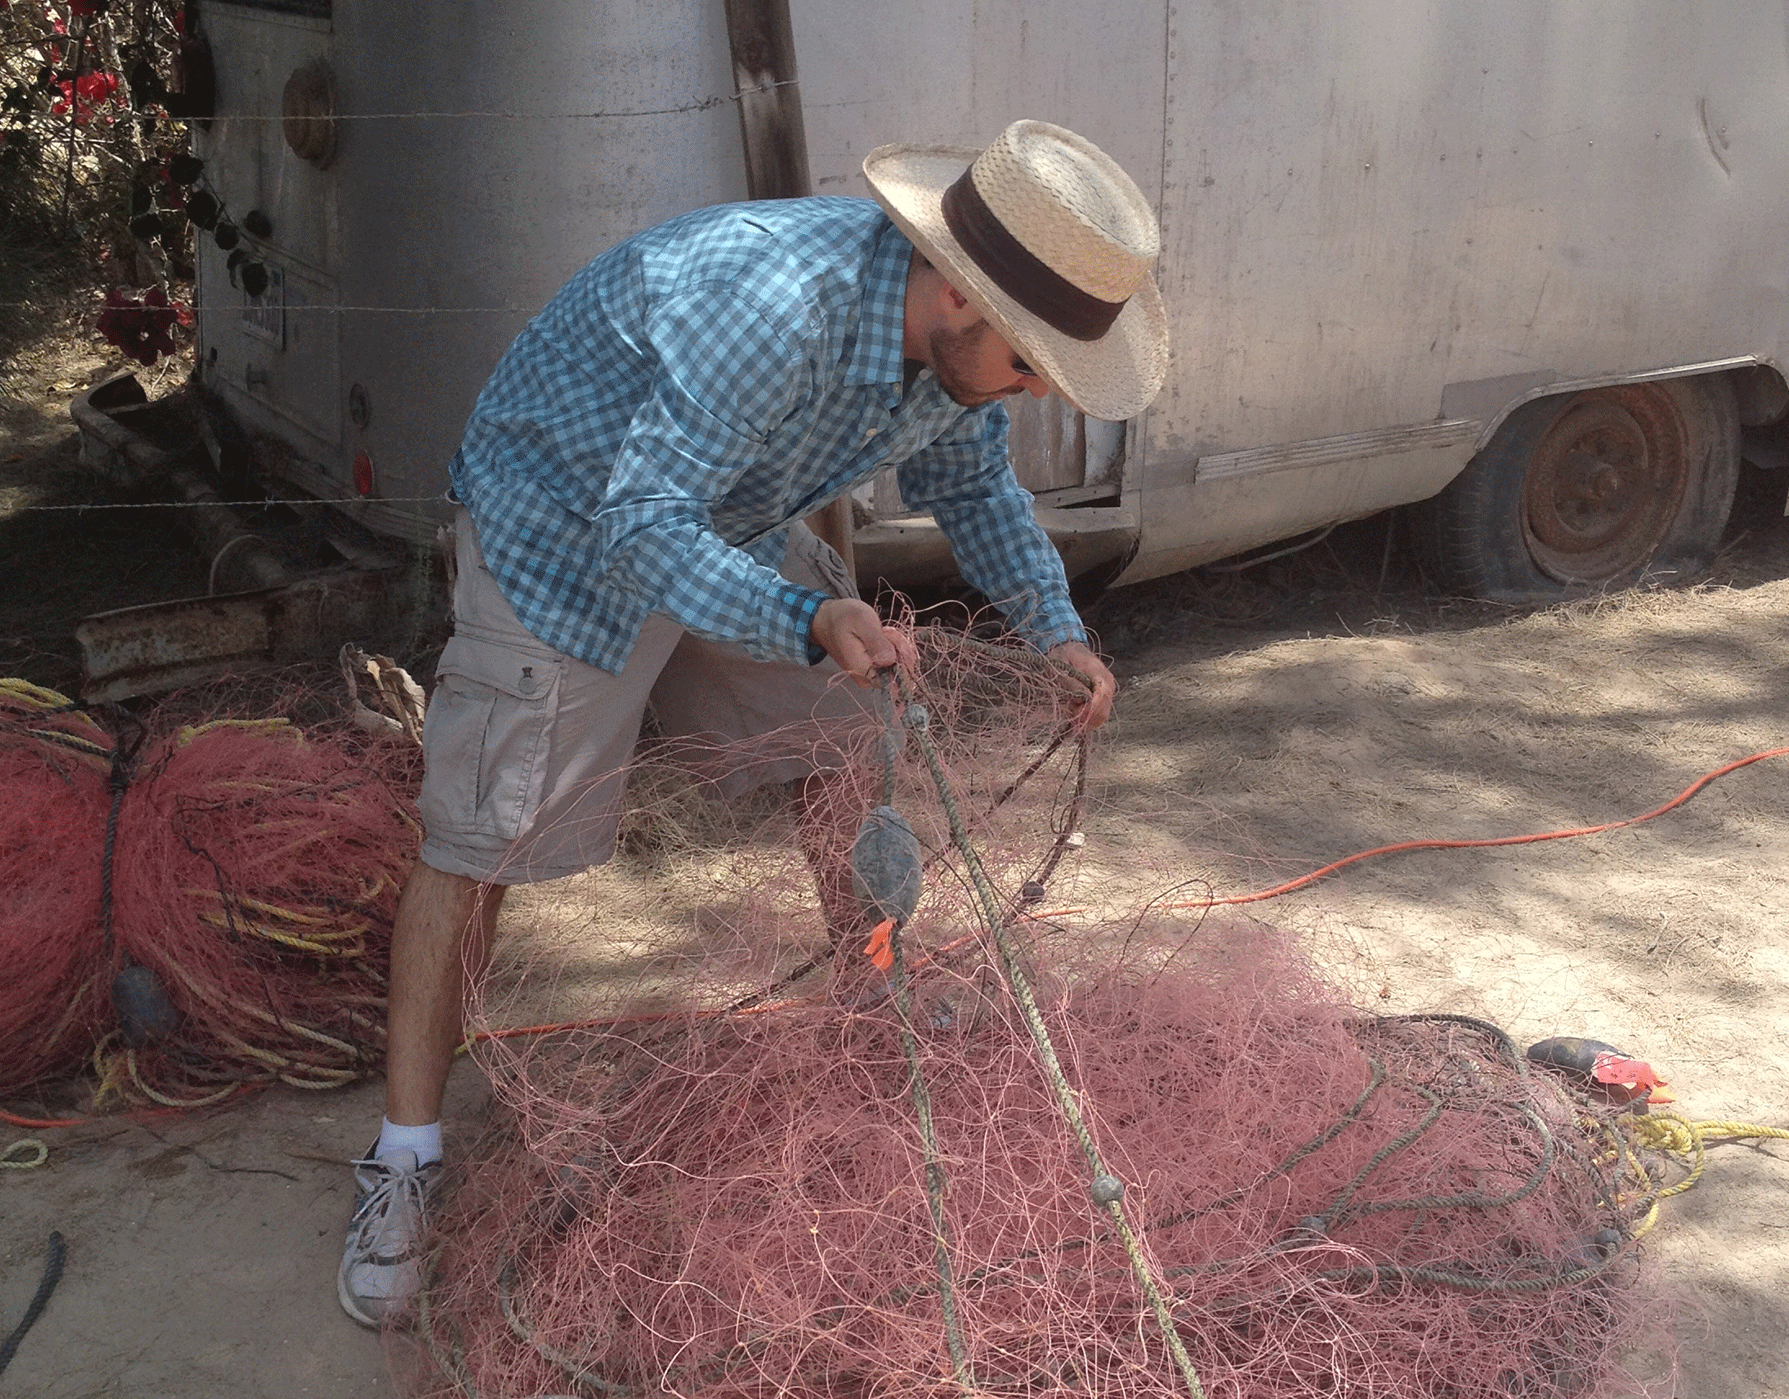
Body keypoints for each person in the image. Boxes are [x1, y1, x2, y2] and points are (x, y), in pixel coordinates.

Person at [337, 118, 1170, 1327]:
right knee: (484, 840)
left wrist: (1053, 627)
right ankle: (403, 1161)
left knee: (848, 735)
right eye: (1031, 361)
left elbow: (971, 483)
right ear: (954, 290)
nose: (1036, 386)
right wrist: (805, 614)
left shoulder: (954, 355)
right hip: (561, 529)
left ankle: (873, 998)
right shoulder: (774, 302)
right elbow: (634, 529)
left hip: (708, 523)